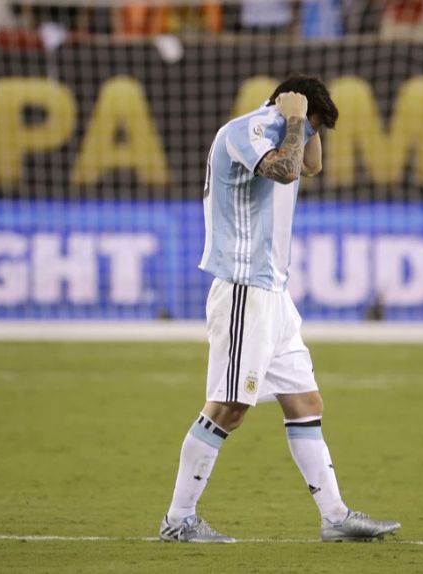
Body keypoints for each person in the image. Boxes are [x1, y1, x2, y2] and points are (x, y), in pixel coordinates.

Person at [158, 76, 402, 543]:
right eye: (312, 126)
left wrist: (307, 125)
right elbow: (286, 170)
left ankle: (335, 517)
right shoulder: (247, 130)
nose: (311, 138)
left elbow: (310, 167)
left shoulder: (289, 131)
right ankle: (178, 519)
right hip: (244, 289)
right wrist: (293, 119)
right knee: (229, 408)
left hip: (275, 295)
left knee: (305, 402)